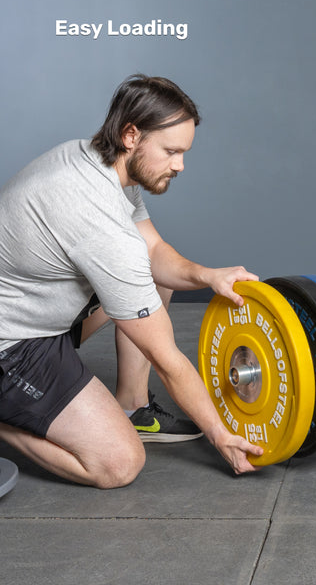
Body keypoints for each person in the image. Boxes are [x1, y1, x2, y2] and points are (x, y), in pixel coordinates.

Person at [0, 74, 264, 488]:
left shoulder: (94, 160)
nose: (180, 165)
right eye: (171, 151)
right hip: (12, 345)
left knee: (152, 280)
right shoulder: (98, 219)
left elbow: (154, 251)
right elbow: (166, 358)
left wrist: (208, 276)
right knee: (118, 464)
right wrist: (220, 434)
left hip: (34, 311)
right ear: (130, 136)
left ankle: (131, 405)